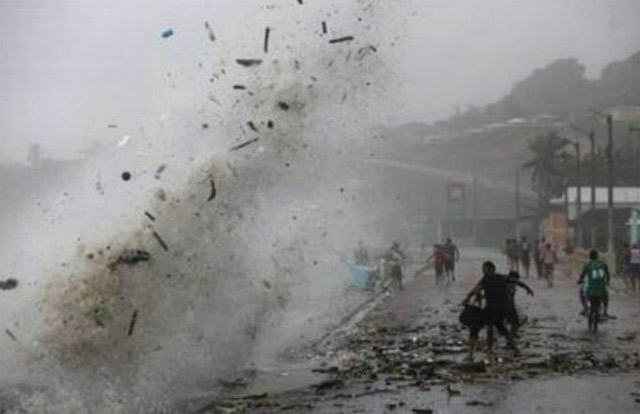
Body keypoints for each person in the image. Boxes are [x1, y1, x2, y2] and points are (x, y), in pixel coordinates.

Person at [462, 261, 532, 356]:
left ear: (491, 269)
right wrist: (527, 288)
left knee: (479, 328)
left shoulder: (486, 278)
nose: (483, 271)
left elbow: (476, 289)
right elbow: (515, 281)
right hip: (500, 309)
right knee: (501, 329)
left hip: (491, 308)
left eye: (484, 269)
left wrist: (468, 298)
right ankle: (514, 350)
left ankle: (476, 352)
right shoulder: (501, 277)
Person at [577, 250, 610, 331]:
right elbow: (608, 276)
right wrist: (607, 282)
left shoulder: (587, 264)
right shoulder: (603, 264)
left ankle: (585, 308)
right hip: (601, 290)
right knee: (606, 294)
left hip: (591, 290)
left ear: (589, 256)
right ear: (597, 256)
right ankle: (605, 310)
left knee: (581, 291)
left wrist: (579, 280)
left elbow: (582, 276)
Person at [505, 271, 534, 338]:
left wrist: (528, 288)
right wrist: (528, 289)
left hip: (509, 305)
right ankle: (510, 335)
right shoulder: (508, 282)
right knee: (517, 321)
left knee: (515, 322)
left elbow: (520, 283)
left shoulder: (510, 282)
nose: (515, 282)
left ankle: (512, 334)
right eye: (515, 279)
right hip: (508, 306)